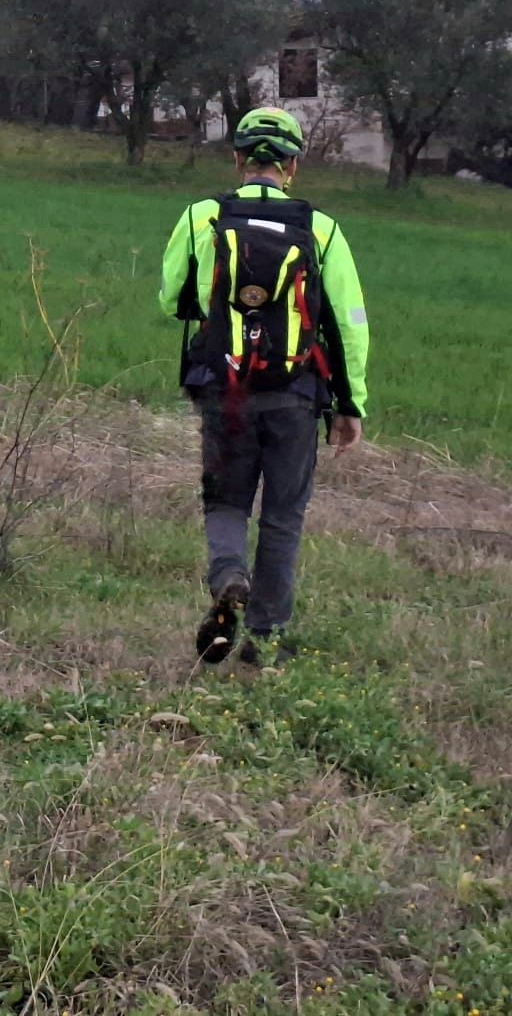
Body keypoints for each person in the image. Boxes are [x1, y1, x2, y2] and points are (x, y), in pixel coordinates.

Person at [159, 106, 370, 666]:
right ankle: (265, 638)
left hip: (223, 387)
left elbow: (171, 299)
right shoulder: (320, 227)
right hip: (295, 394)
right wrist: (351, 404)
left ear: (238, 159)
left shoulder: (203, 216)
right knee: (283, 514)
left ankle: (229, 576)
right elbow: (347, 322)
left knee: (226, 499)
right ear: (293, 165)